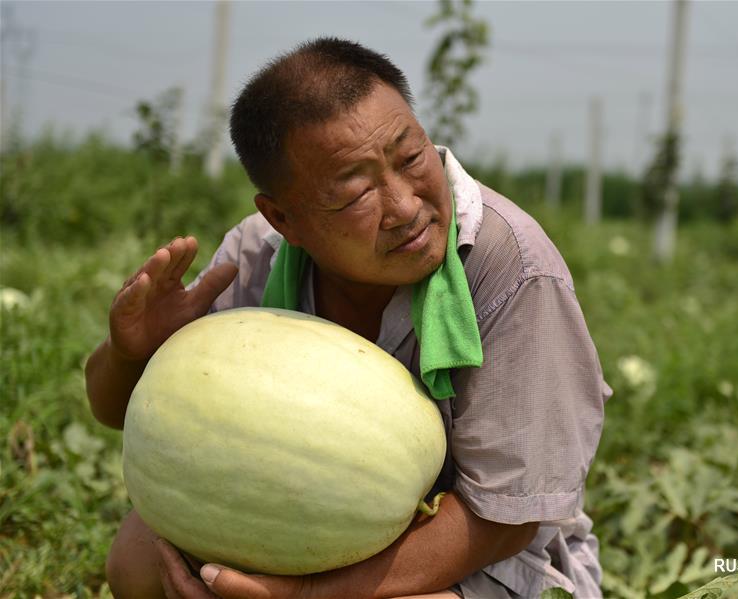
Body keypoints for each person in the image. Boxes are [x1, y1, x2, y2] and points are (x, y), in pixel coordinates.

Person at [86, 38, 610, 599]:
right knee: (137, 561)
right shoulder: (257, 254)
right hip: (308, 524)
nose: (406, 207)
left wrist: (309, 596)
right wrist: (133, 352)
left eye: (412, 159)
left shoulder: (513, 268)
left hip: (488, 559)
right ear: (284, 218)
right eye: (356, 191)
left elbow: (504, 522)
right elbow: (126, 415)